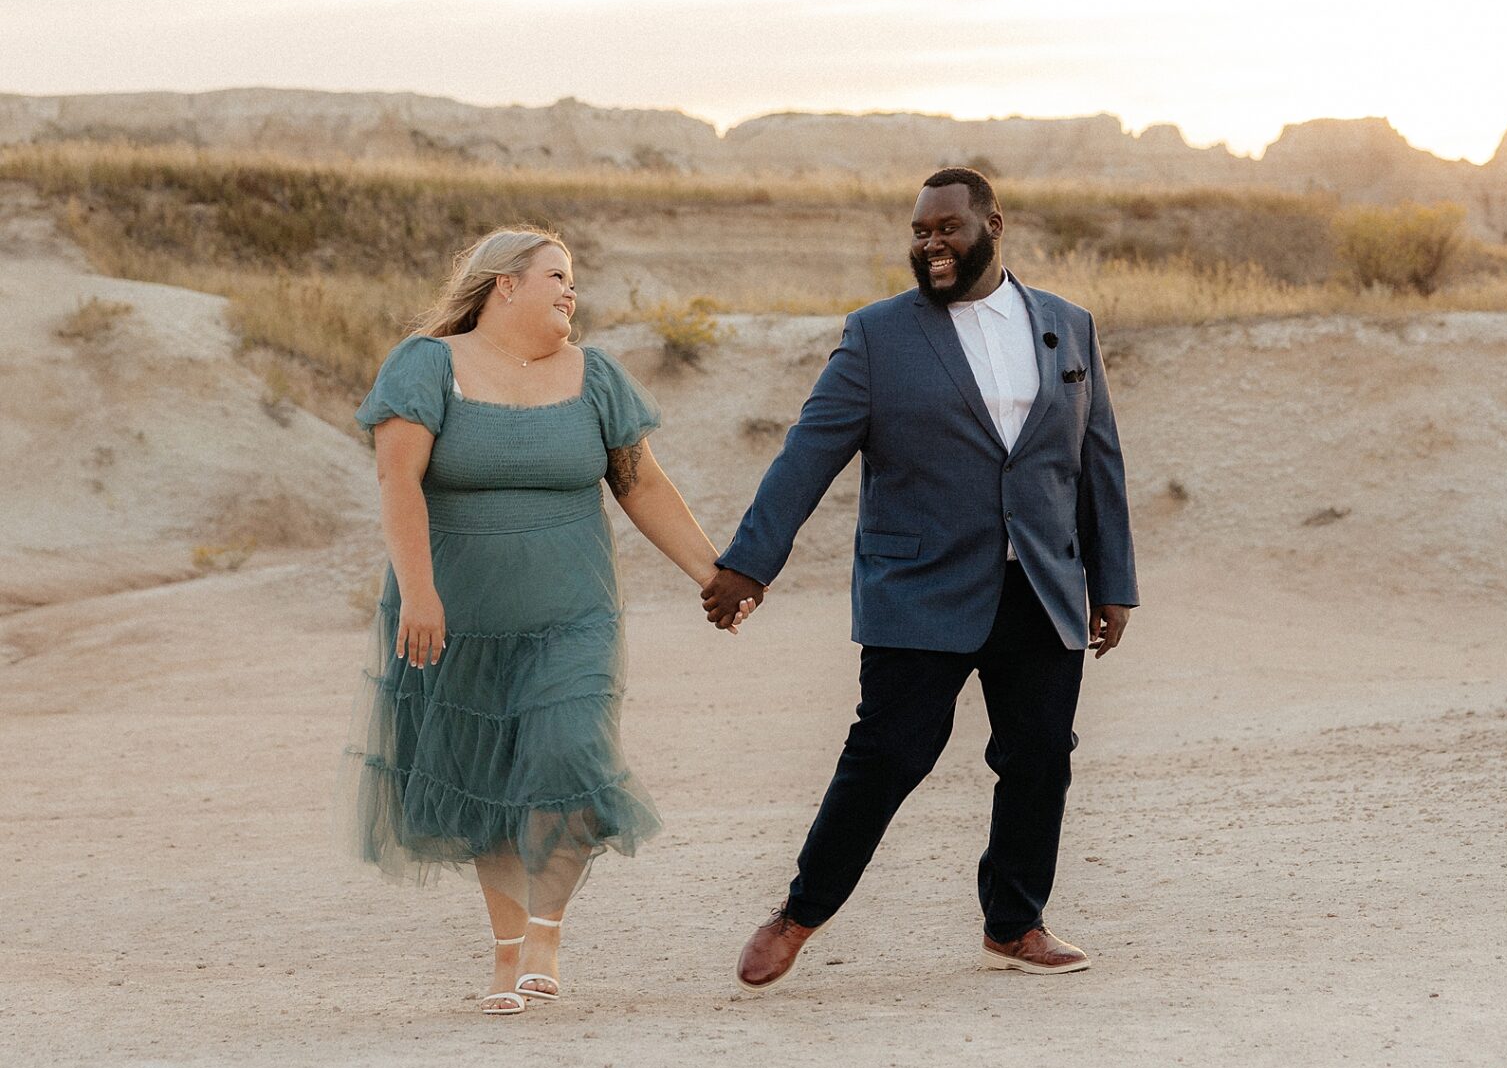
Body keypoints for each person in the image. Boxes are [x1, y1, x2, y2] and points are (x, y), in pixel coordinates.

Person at [704, 167, 1136, 988]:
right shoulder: (877, 335)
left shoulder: (1067, 326)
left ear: (993, 225)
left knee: (1040, 757)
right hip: (920, 586)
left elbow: (1095, 461)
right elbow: (808, 454)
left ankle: (1014, 925)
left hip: (1040, 583)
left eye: (946, 228)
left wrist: (1112, 581)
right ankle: (799, 914)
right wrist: (748, 565)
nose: (930, 244)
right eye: (918, 231)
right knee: (889, 754)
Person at [342, 224, 744, 1015]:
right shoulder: (428, 366)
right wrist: (419, 593)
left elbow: (643, 487)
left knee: (565, 754)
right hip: (455, 618)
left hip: (574, 615)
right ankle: (504, 954)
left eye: (573, 280)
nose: (570, 291)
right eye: (556, 276)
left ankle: (545, 930)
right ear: (504, 285)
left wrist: (715, 576)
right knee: (486, 781)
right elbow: (398, 482)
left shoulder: (594, 378)